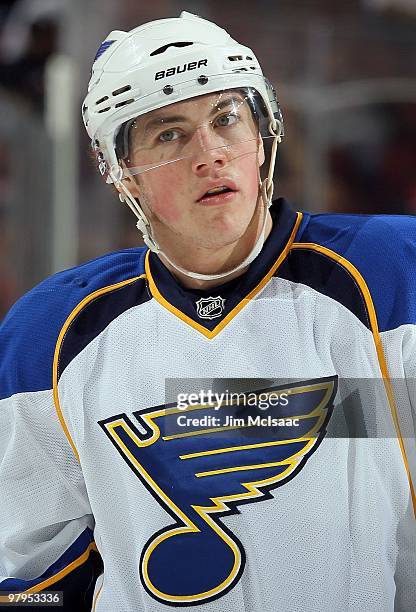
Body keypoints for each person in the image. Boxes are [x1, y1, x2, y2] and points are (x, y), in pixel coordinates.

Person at [0, 11, 415, 612]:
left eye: (227, 120)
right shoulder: (52, 334)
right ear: (123, 174)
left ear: (264, 132)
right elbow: (27, 571)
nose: (210, 154)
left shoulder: (389, 274)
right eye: (169, 134)